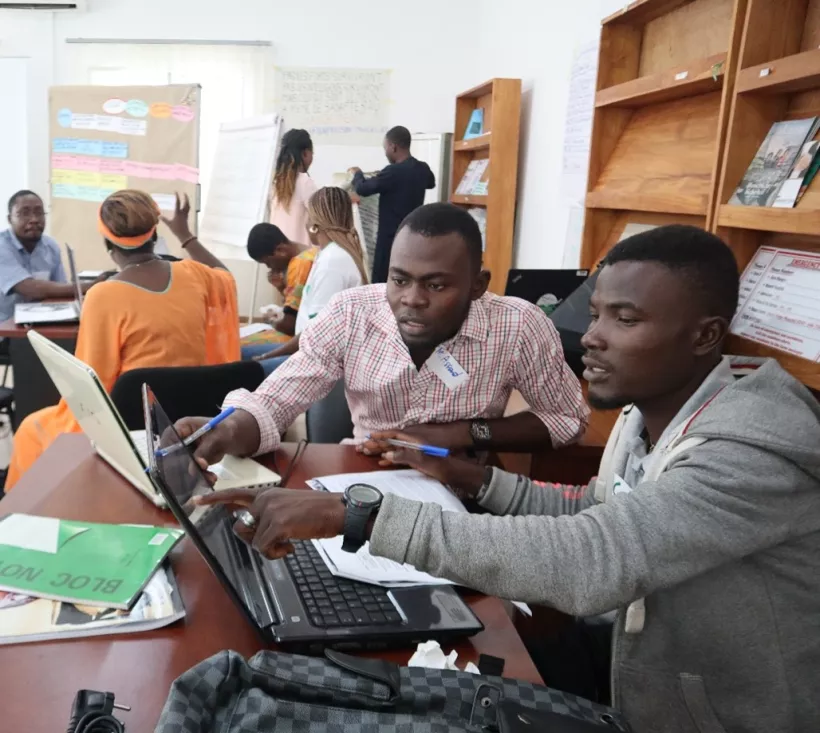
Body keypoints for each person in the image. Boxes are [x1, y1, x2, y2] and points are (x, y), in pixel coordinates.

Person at [193, 225, 820, 733]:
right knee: (379, 683)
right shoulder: (650, 411)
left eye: (623, 321)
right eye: (597, 314)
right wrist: (471, 480)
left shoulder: (746, 452)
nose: (591, 339)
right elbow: (597, 506)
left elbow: (595, 557)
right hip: (631, 661)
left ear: (704, 336)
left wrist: (357, 515)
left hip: (705, 709)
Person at [177, 201, 587, 463]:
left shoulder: (518, 326)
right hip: (365, 475)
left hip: (464, 482)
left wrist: (461, 433)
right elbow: (278, 399)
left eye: (436, 285)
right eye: (399, 279)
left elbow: (567, 418)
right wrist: (229, 428)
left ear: (478, 285)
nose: (412, 299)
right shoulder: (353, 312)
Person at [5, 190, 240, 489]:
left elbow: (92, 381)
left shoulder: (104, 295)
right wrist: (184, 233)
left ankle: (24, 519)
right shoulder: (195, 274)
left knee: (31, 427)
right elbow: (226, 278)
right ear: (154, 234)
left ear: (107, 243)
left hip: (126, 423)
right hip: (190, 417)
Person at [243, 187, 369, 376]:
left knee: (241, 367)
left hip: (316, 364)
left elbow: (315, 336)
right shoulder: (327, 255)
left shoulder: (332, 262)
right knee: (240, 355)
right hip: (310, 352)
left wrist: (266, 357)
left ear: (315, 224)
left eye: (308, 216)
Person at [351, 126, 435, 284]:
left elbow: (362, 188)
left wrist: (357, 174)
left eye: (385, 148)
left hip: (390, 240)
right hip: (414, 238)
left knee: (382, 282)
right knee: (406, 281)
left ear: (393, 147)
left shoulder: (392, 172)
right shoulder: (422, 169)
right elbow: (431, 182)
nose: (385, 152)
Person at [0, 190, 90, 322]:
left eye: (39, 212)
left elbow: (61, 290)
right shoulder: (2, 247)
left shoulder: (50, 246)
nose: (34, 219)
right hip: (5, 329)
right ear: (10, 219)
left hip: (40, 323)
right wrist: (85, 287)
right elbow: (29, 288)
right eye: (24, 213)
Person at [240, 223, 316, 357]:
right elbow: (300, 304)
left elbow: (289, 326)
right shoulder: (310, 252)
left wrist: (271, 322)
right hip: (310, 335)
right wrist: (281, 287)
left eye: (267, 262)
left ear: (281, 250)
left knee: (241, 348)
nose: (269, 267)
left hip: (305, 343)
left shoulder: (299, 266)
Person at [270, 129, 318, 242]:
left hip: (280, 248)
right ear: (305, 153)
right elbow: (323, 213)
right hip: (301, 254)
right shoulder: (304, 182)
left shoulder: (276, 183)